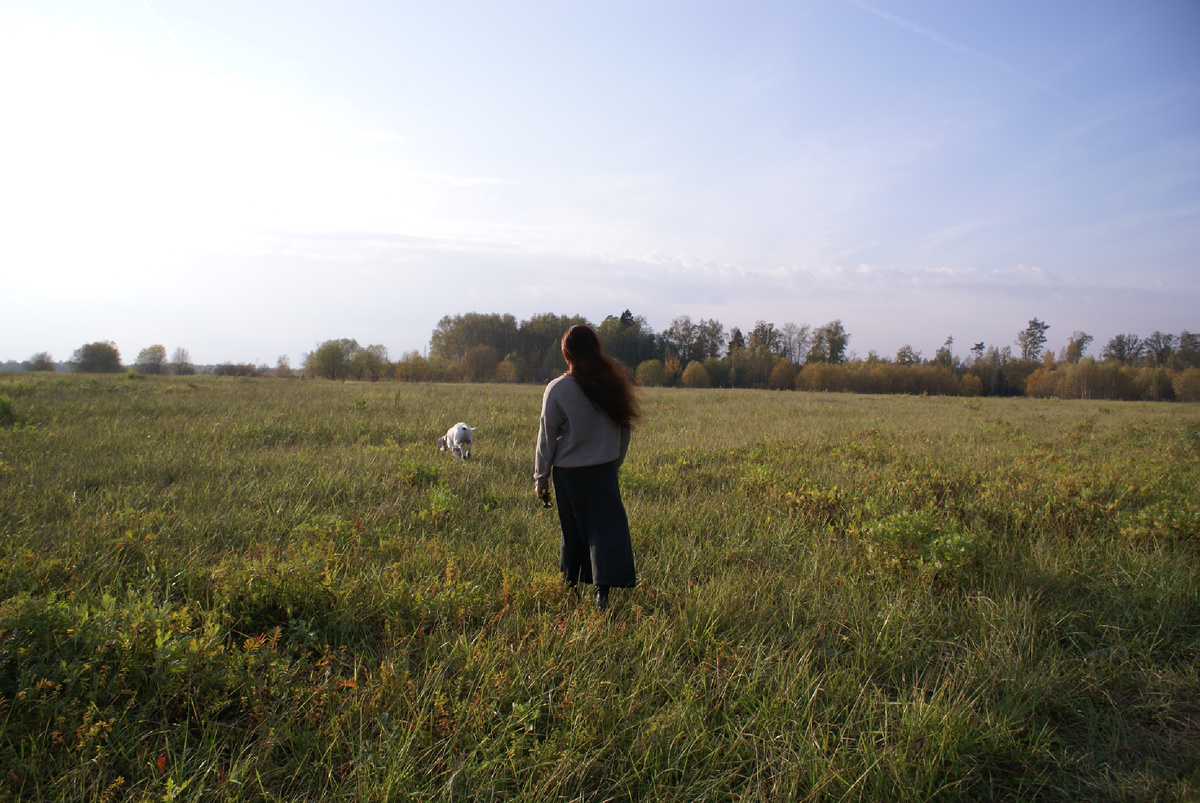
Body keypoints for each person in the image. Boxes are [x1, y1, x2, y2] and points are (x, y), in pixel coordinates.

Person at [534, 325, 640, 610]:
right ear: (595, 349)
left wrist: (541, 478)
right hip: (603, 469)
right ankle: (601, 594)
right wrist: (615, 463)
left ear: (567, 354)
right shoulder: (613, 384)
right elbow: (625, 430)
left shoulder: (557, 389)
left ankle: (570, 587)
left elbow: (546, 437)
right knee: (605, 530)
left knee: (573, 531)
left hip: (569, 475)